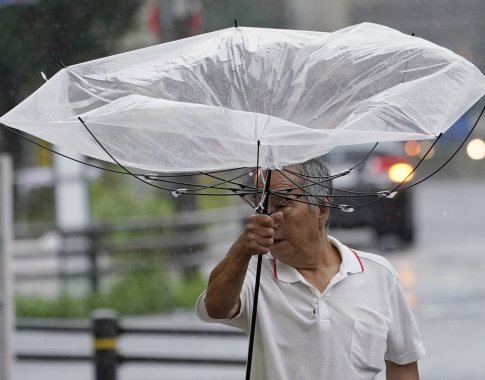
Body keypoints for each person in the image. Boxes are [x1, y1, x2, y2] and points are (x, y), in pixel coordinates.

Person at [195, 156, 425, 380]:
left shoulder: (378, 275)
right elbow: (216, 307)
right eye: (262, 205)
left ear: (322, 209)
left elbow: (402, 361)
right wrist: (242, 249)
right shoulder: (254, 273)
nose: (270, 218)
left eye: (283, 203)